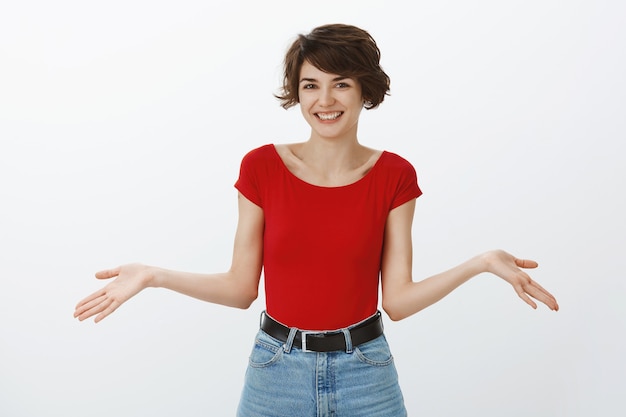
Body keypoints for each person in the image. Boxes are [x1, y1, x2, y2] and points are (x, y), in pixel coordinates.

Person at [74, 23, 559, 416]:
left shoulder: (394, 175)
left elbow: (400, 301)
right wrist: (154, 275)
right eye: (311, 85)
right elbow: (242, 287)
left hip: (366, 370)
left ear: (364, 89)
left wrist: (480, 262)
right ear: (297, 92)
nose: (324, 100)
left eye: (340, 84)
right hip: (275, 369)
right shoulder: (261, 167)